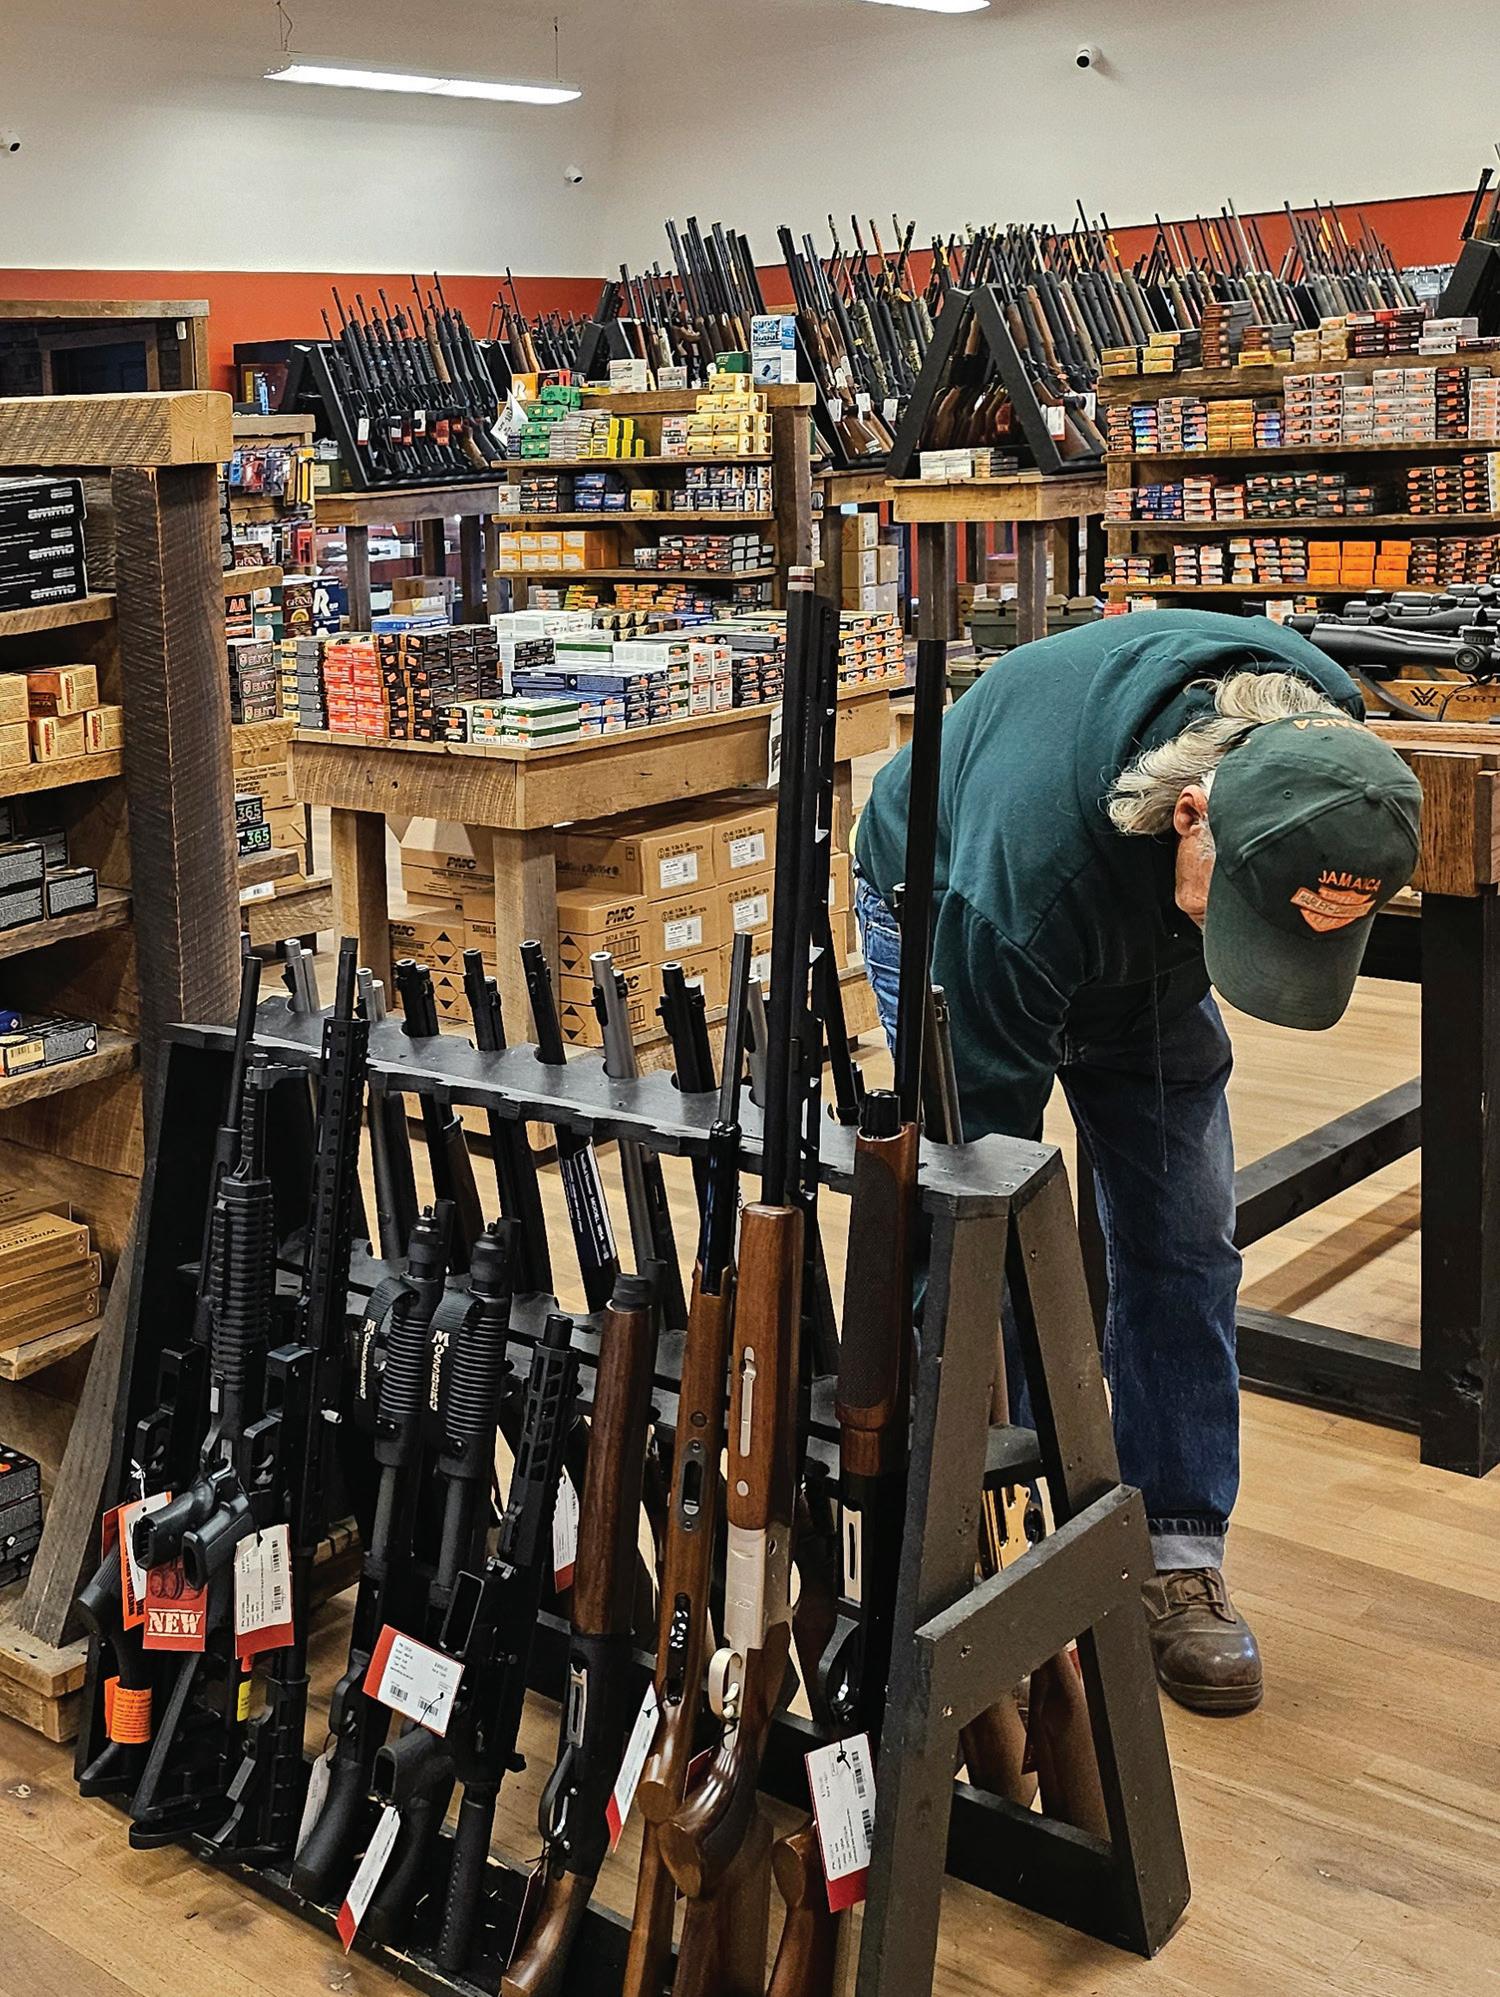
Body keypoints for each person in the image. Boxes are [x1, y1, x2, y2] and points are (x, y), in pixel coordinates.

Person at [855, 608, 1422, 1716]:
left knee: (1187, 1233)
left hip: (1146, 931)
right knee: (991, 1234)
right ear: (1193, 813)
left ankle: (1177, 1545)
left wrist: (1220, 920)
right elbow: (969, 1202)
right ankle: (1012, 1519)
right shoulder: (1019, 884)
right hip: (952, 893)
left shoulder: (1329, 768)